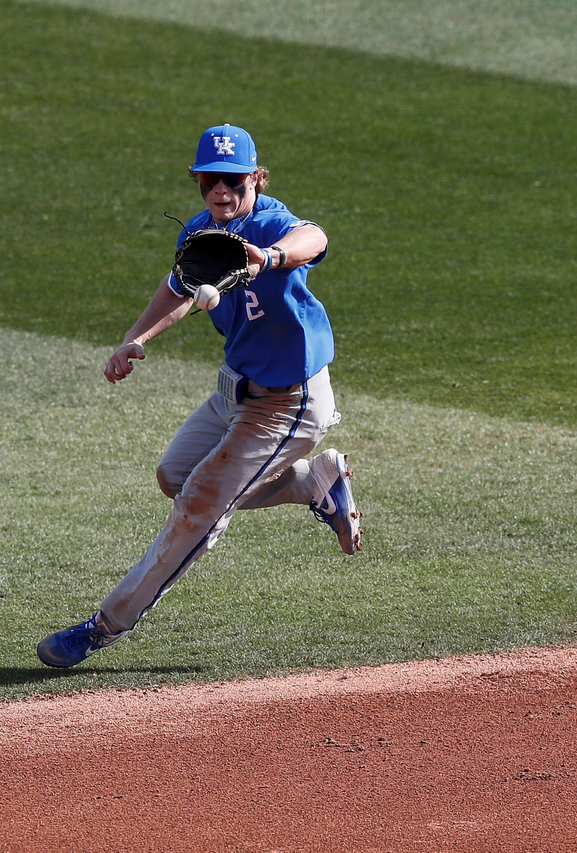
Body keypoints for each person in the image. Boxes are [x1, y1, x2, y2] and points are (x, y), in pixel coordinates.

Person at [37, 124, 361, 668]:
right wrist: (134, 340)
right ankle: (312, 484)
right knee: (174, 477)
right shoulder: (202, 229)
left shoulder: (271, 223)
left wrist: (270, 258)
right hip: (234, 395)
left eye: (234, 180)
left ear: (256, 177)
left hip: (289, 402)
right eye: (211, 179)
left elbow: (316, 238)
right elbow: (180, 286)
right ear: (198, 179)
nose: (222, 191)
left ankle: (103, 627)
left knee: (198, 509)